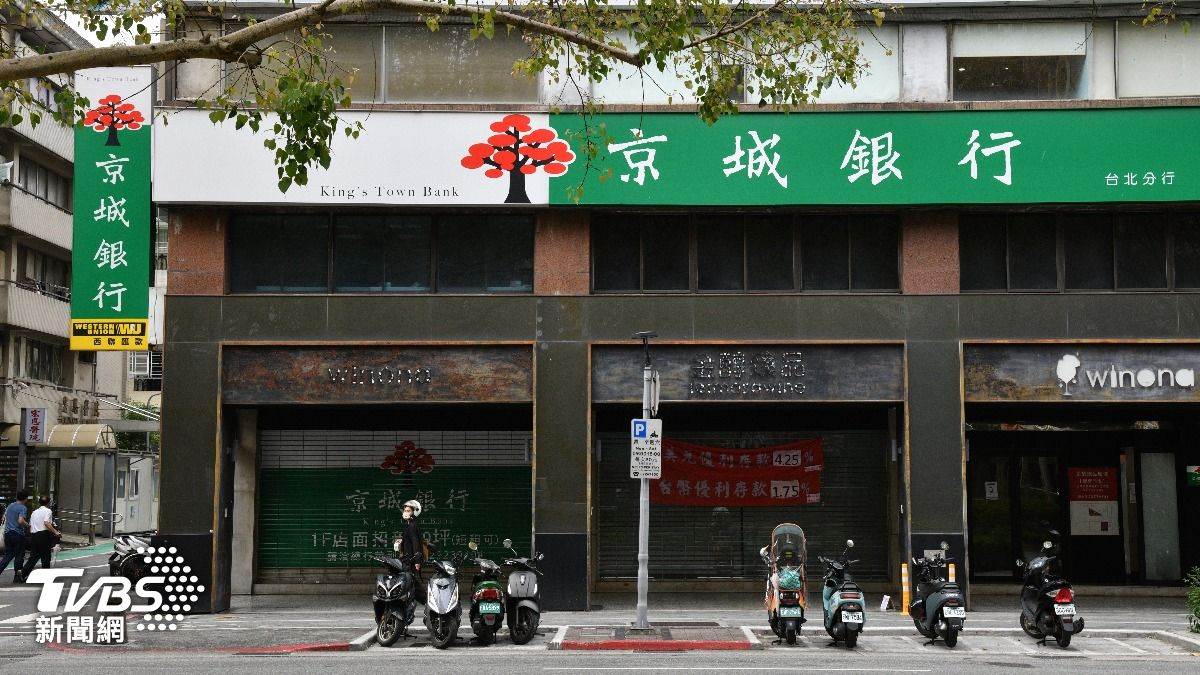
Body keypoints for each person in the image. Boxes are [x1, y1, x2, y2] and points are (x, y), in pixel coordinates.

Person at [19, 496, 59, 581]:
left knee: (34, 556)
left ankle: (23, 572)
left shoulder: (34, 512)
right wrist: (55, 532)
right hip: (43, 535)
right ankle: (45, 577)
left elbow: (30, 526)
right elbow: (46, 523)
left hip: (34, 535)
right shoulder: (48, 511)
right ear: (48, 503)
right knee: (46, 556)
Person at [400, 499, 426, 603]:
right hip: (408, 558)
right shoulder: (409, 524)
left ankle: (425, 599)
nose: (405, 512)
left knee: (412, 581)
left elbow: (416, 543)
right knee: (410, 580)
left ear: (414, 512)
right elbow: (410, 540)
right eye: (405, 510)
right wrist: (402, 540)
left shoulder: (412, 525)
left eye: (408, 511)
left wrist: (417, 561)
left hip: (411, 559)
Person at [0, 491, 29, 582]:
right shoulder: (23, 507)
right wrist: (28, 525)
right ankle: (17, 577)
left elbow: (3, 518)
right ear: (25, 499)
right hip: (17, 534)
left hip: (7, 533)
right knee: (19, 556)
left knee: (8, 555)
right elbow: (21, 521)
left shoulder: (10, 506)